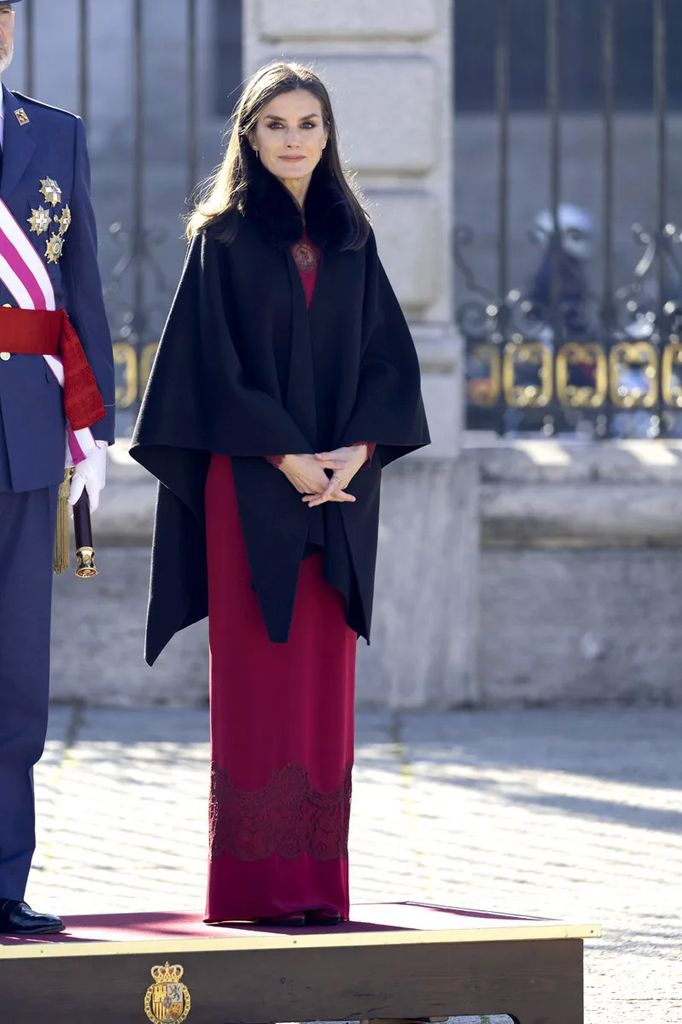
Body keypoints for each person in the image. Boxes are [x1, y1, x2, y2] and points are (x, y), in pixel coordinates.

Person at [130, 61, 429, 926]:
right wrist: (287, 455)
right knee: (259, 679)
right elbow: (204, 372)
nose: (293, 138)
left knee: (323, 685)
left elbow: (386, 361)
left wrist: (354, 451)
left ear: (327, 134)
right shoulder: (220, 240)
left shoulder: (350, 237)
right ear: (249, 138)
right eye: (275, 125)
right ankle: (255, 893)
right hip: (251, 489)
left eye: (307, 123)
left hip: (337, 490)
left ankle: (316, 891)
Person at [0, 0, 114, 934]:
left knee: (15, 675)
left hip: (26, 434)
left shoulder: (56, 134)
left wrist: (96, 431)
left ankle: (3, 882)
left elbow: (82, 288)